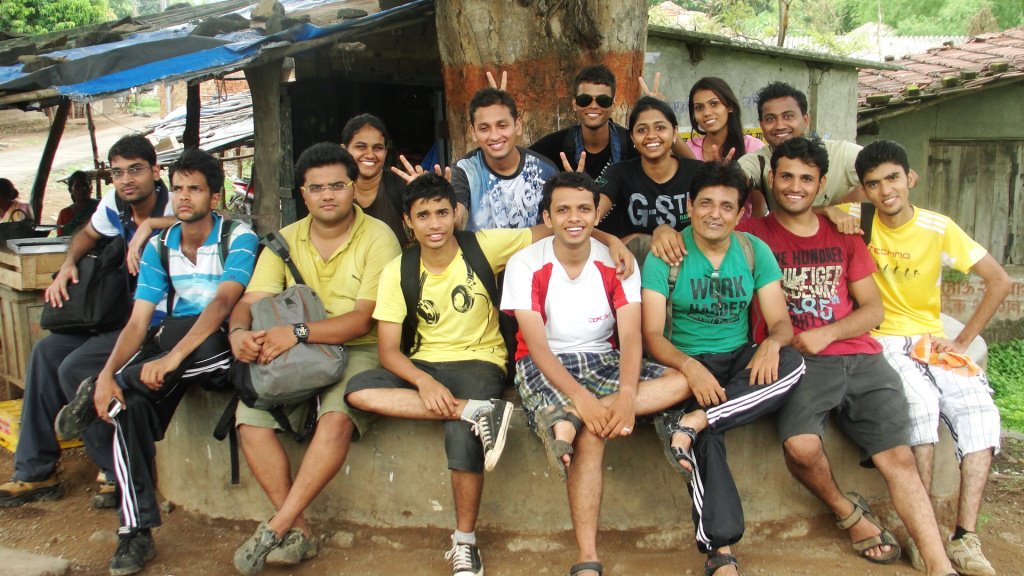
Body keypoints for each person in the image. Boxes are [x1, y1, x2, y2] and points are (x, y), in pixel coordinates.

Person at [346, 172, 633, 576]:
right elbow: (389, 351)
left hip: (481, 361)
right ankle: (473, 410)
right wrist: (424, 382)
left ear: (456, 213)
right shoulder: (398, 269)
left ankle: (465, 541)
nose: (434, 224)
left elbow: (562, 227)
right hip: (424, 362)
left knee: (462, 433)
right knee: (358, 391)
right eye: (423, 216)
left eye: (442, 212)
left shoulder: (482, 245)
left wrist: (612, 239)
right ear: (408, 222)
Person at [740, 137, 957, 576]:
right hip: (800, 363)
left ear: (821, 184)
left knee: (898, 458)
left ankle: (939, 565)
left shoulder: (845, 236)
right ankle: (850, 513)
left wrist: (827, 333)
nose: (795, 186)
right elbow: (702, 229)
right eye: (786, 176)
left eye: (806, 179)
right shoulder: (752, 236)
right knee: (801, 448)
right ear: (771, 178)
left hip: (861, 358)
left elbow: (873, 310)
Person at [58, 147, 259, 576]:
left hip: (222, 349)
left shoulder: (237, 237)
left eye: (195, 189)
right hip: (172, 346)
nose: (184, 197)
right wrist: (108, 375)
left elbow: (223, 304)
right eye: (179, 188)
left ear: (215, 197)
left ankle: (106, 387)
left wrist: (170, 359)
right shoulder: (159, 246)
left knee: (201, 343)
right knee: (124, 407)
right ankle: (135, 532)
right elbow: (137, 323)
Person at [501, 171, 690, 576]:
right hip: (545, 362)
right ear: (547, 218)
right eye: (563, 210)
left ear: (595, 214)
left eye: (584, 209)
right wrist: (583, 398)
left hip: (603, 359)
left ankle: (568, 418)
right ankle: (587, 556)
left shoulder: (617, 262)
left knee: (682, 380)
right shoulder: (525, 263)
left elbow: (631, 335)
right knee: (593, 433)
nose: (575, 218)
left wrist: (625, 396)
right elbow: (536, 347)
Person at [227, 142, 401, 575]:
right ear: (303, 194)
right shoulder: (285, 239)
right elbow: (250, 300)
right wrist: (238, 333)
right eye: (316, 188)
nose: (327, 195)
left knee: (337, 417)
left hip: (359, 348)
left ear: (354, 188)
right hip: (295, 349)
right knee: (250, 419)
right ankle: (299, 529)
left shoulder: (378, 237)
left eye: (337, 186)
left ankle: (275, 526)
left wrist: (297, 331)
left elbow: (362, 320)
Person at [849, 140, 1009, 576]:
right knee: (921, 406)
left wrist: (963, 340)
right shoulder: (857, 220)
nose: (886, 191)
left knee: (980, 410)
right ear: (863, 189)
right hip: (880, 338)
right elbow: (813, 210)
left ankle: (966, 536)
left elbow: (997, 280)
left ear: (910, 178)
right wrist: (841, 208)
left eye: (893, 178)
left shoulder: (939, 227)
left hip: (929, 338)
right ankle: (923, 536)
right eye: (873, 184)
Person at [640, 161, 804, 576]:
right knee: (706, 438)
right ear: (689, 206)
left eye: (727, 206)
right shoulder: (667, 255)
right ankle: (721, 548)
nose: (715, 214)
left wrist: (772, 343)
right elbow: (652, 336)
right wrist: (689, 366)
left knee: (793, 363)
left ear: (740, 212)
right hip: (684, 364)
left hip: (739, 358)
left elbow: (781, 322)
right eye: (706, 203)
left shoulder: (752, 250)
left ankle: (696, 420)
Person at [0, 135, 174, 510]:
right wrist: (67, 264)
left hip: (156, 321)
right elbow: (88, 235)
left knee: (75, 368)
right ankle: (35, 471)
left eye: (136, 170)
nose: (126, 179)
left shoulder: (174, 202)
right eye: (118, 172)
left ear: (155, 171)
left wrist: (151, 225)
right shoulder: (115, 204)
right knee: (46, 353)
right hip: (115, 314)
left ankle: (116, 471)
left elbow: (207, 220)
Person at [596, 96, 703, 264]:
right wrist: (615, 240)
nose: (651, 135)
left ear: (675, 132)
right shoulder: (619, 173)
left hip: (691, 261)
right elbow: (587, 219)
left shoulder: (696, 172)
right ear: (632, 137)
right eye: (641, 130)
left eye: (660, 127)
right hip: (638, 262)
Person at [736, 81, 863, 212]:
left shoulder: (841, 154)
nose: (780, 125)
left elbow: (876, 167)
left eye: (788, 116)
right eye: (770, 119)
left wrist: (854, 208)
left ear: (805, 120)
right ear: (762, 125)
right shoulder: (758, 161)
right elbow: (738, 177)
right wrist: (724, 175)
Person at [453, 87, 558, 231]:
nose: (494, 136)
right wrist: (436, 202)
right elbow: (454, 221)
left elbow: (555, 227)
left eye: (502, 126)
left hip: (534, 246)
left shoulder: (543, 170)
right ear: (473, 132)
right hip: (479, 247)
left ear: (518, 125)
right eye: (484, 128)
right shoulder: (466, 169)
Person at [528, 64, 638, 181]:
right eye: (585, 100)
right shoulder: (556, 145)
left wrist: (652, 107)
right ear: (574, 104)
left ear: (613, 104)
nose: (593, 106)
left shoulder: (632, 145)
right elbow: (519, 159)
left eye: (603, 100)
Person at [685, 77, 765, 218]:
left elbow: (759, 208)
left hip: (742, 228)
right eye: (699, 107)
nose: (707, 112)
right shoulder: (689, 148)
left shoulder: (753, 147)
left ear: (730, 107)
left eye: (714, 104)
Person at [341, 114, 408, 243]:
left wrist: (425, 194)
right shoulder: (333, 191)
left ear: (386, 152)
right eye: (361, 147)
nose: (370, 155)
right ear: (344, 150)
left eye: (377, 148)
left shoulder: (402, 186)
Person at [56, 171, 100, 236]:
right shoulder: (65, 214)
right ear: (70, 190)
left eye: (85, 185)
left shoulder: (100, 207)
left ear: (91, 187)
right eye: (78, 186)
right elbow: (60, 237)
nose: (82, 189)